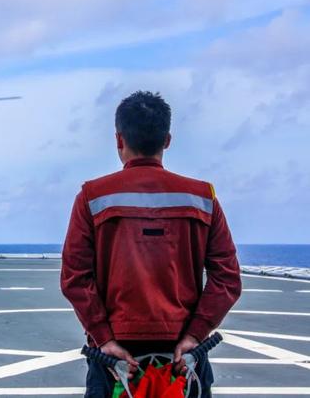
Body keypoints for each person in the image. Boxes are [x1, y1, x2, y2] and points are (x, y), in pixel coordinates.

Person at [60, 91, 241, 397]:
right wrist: (196, 334)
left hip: (114, 362)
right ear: (167, 140)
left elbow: (75, 277)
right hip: (183, 359)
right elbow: (227, 278)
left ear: (119, 139)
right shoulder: (202, 197)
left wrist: (104, 339)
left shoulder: (91, 197)